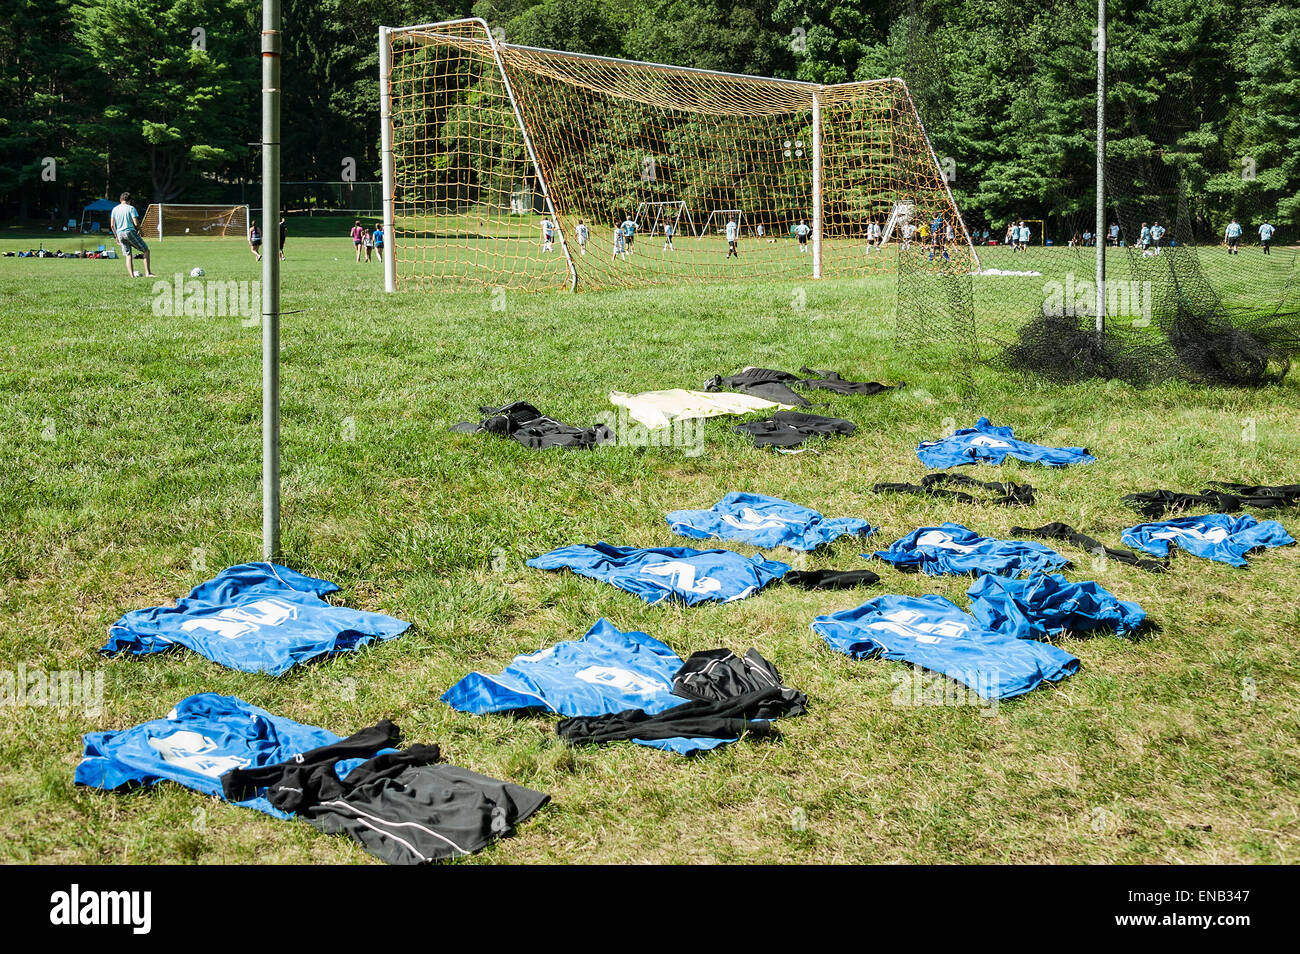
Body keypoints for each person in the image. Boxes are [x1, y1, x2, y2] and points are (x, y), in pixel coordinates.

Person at [110, 192, 154, 278]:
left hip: (119, 233)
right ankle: (148, 273)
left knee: (128, 255)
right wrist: (141, 231)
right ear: (130, 200)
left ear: (120, 200)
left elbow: (112, 225)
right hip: (129, 232)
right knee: (146, 250)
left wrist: (116, 237)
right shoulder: (131, 208)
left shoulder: (115, 209)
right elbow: (136, 223)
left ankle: (132, 275)